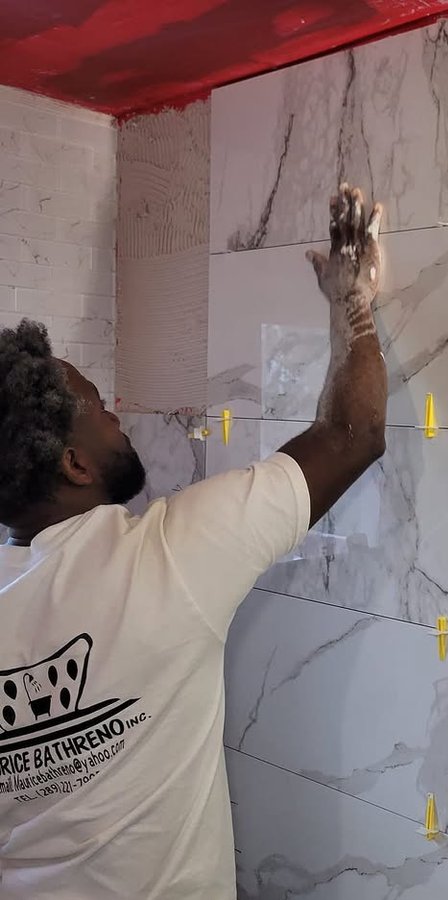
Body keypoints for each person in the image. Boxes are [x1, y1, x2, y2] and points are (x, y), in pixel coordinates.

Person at [0, 184, 387, 899]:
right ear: (74, 464)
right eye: (99, 407)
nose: (116, 415)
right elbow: (352, 436)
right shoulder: (167, 562)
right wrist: (353, 302)